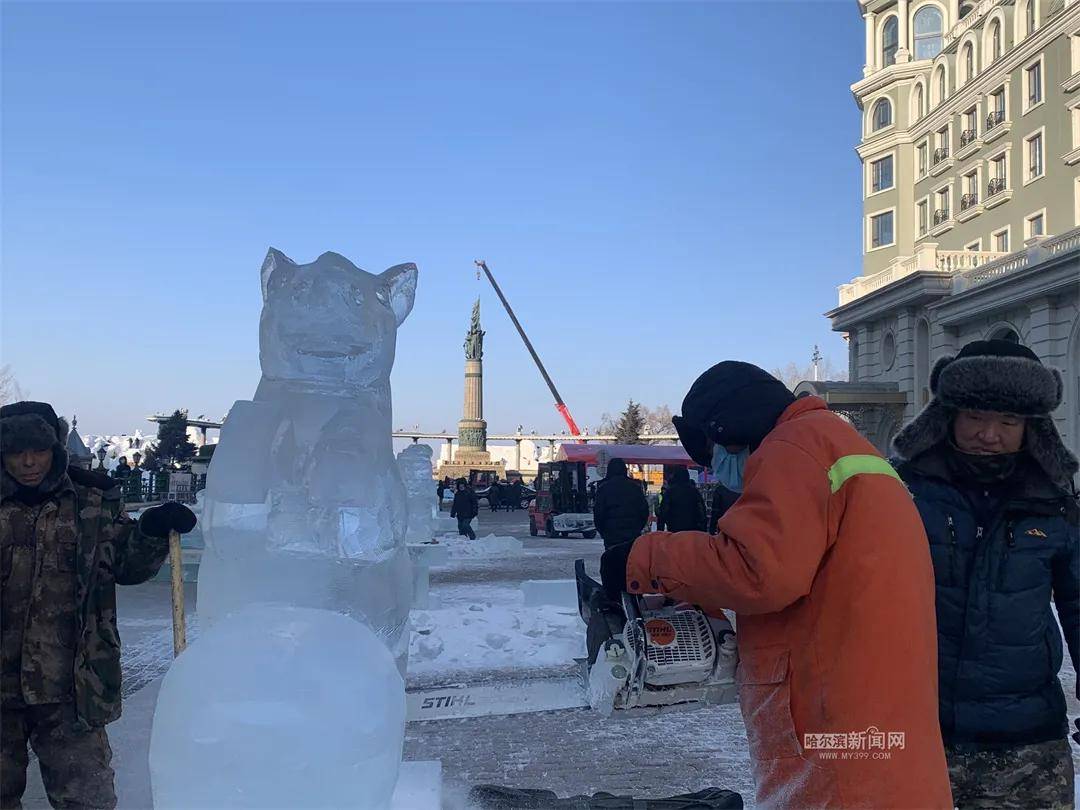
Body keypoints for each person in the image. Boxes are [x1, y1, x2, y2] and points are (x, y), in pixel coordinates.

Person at [601, 362, 951, 809]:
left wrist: (642, 558)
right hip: (877, 710)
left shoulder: (792, 448)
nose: (718, 471)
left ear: (730, 429)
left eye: (714, 455)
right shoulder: (843, 446)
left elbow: (759, 571)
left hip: (831, 720)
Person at [892, 340, 1079, 808]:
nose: (989, 434)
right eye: (976, 417)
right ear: (949, 415)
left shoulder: (1055, 503)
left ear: (1030, 427)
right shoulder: (900, 492)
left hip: (1028, 745)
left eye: (1008, 421)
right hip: (919, 733)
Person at [1, 401, 198, 809]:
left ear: (54, 449)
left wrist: (151, 531)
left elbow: (127, 565)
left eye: (38, 450)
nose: (28, 461)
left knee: (87, 801)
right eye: (16, 452)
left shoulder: (91, 502)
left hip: (73, 687)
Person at [592, 458, 649, 550]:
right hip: (632, 534)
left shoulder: (603, 488)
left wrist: (604, 532)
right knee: (630, 560)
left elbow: (598, 513)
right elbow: (644, 511)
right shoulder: (635, 487)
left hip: (611, 534)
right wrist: (637, 528)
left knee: (612, 560)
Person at [655, 467, 706, 533]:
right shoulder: (694, 491)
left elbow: (663, 512)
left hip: (674, 529)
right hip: (692, 530)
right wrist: (703, 529)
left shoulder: (670, 492)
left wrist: (660, 530)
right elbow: (701, 511)